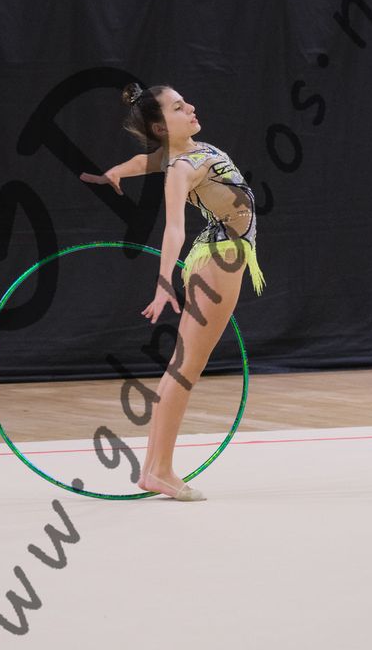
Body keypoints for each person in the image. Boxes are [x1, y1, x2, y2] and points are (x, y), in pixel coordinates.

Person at [80, 82, 265, 502]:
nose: (191, 107)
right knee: (184, 370)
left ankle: (154, 469)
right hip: (220, 259)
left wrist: (117, 171)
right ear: (162, 127)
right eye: (179, 108)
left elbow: (143, 161)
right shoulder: (182, 168)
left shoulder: (181, 154)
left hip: (222, 253)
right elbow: (174, 228)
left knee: (181, 368)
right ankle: (159, 470)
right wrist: (164, 281)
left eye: (186, 102)